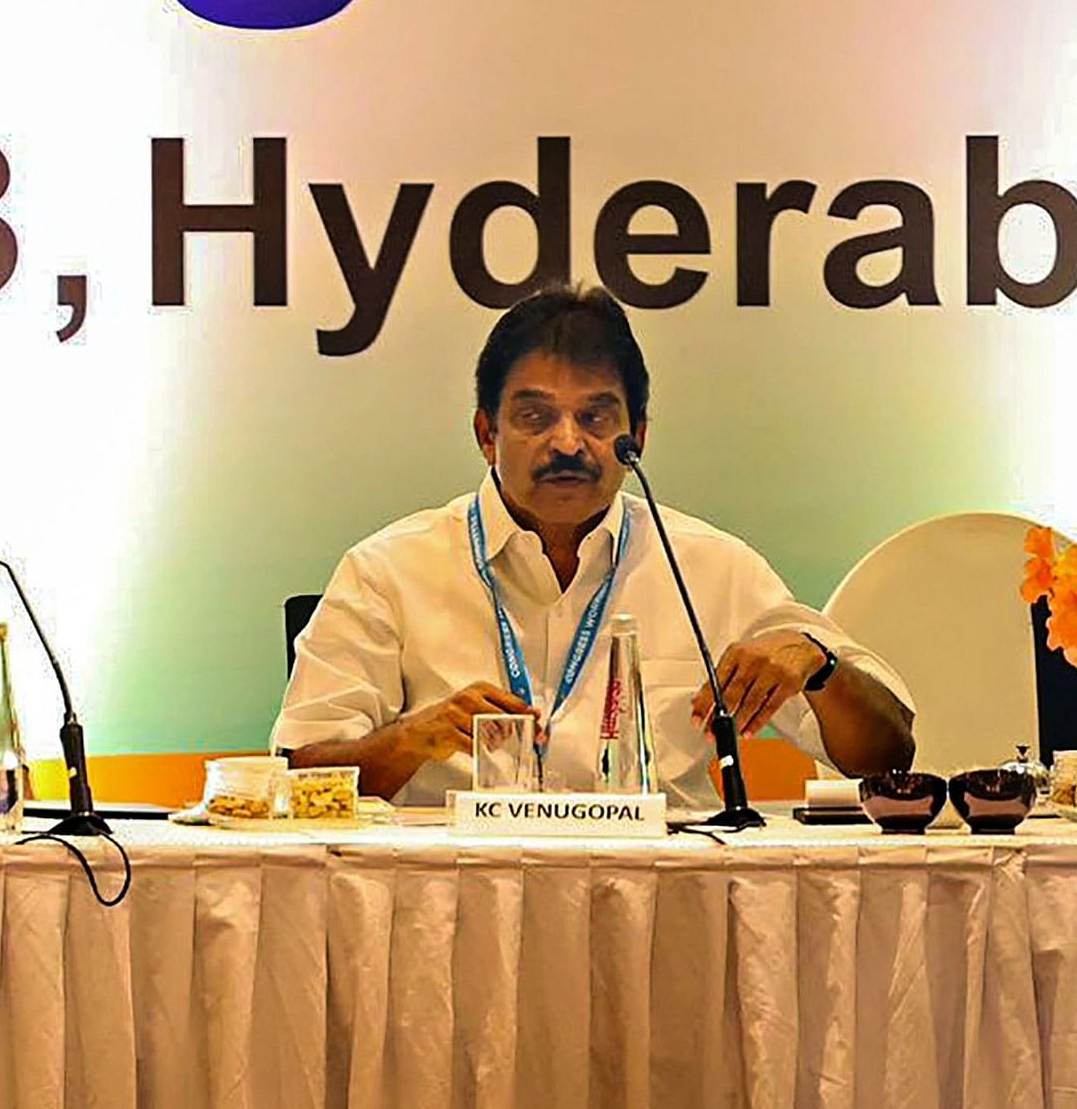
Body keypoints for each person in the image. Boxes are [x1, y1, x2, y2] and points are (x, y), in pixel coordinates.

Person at [275, 284, 913, 809]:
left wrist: (818, 664)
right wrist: (414, 738)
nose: (568, 444)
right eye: (534, 416)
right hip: (451, 910)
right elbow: (299, 778)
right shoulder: (389, 570)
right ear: (486, 433)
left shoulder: (708, 569)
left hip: (660, 911)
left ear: (637, 434)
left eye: (596, 417)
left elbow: (890, 756)